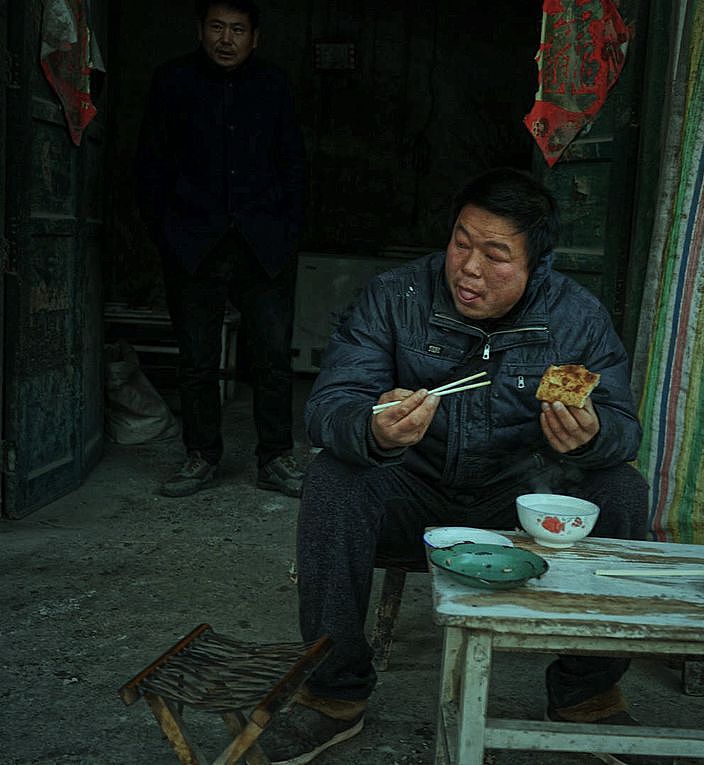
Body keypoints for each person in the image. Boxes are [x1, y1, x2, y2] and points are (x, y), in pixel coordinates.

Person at [264, 167, 651, 765]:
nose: (469, 267)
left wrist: (593, 435)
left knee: (621, 488)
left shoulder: (577, 317)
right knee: (333, 477)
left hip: (519, 500)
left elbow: (624, 427)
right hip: (412, 493)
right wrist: (371, 426)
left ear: (535, 266)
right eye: (461, 242)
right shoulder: (396, 297)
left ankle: (586, 692)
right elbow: (330, 404)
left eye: (495, 254)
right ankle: (332, 693)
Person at [135, 0, 305, 498]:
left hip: (264, 244)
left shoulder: (273, 85)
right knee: (197, 359)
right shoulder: (173, 81)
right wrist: (167, 234)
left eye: (237, 29)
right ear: (200, 30)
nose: (226, 39)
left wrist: (288, 229)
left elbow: (294, 163)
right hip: (193, 244)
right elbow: (149, 165)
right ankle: (201, 456)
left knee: (272, 357)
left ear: (256, 37)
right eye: (216, 27)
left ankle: (275, 457)